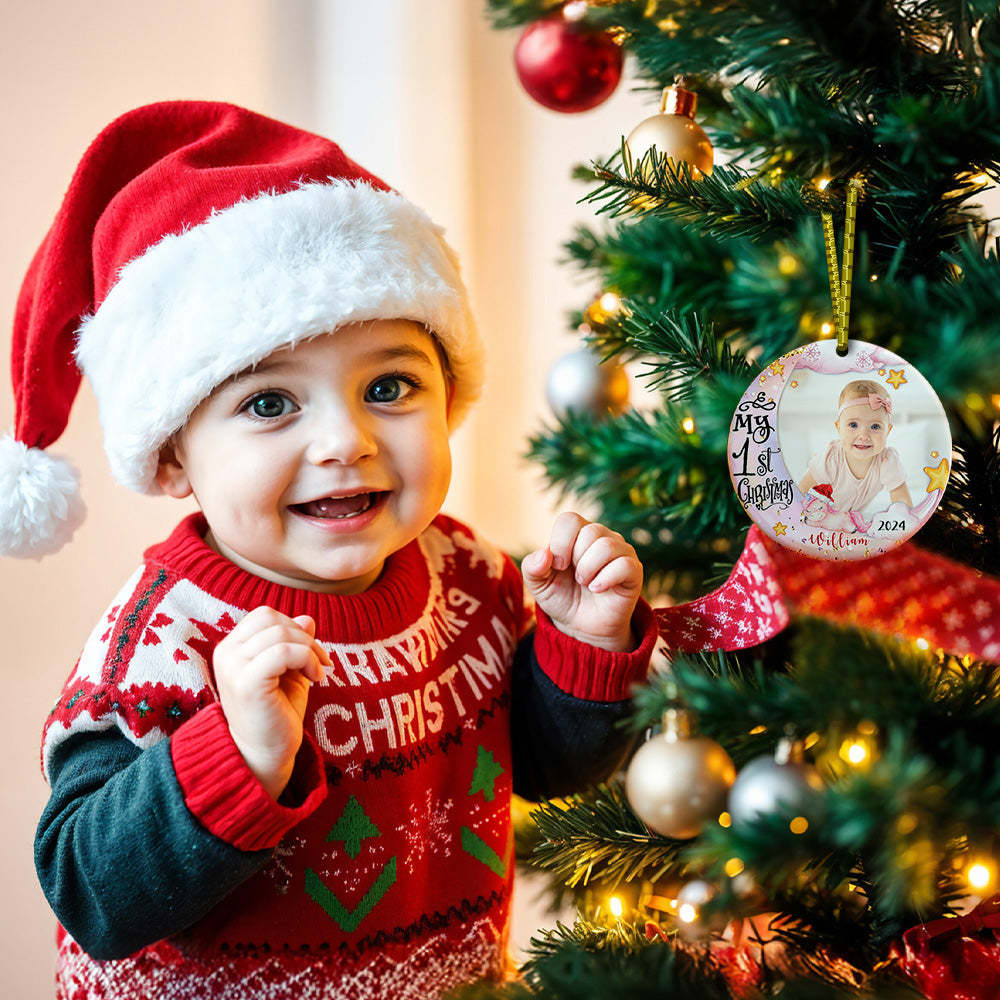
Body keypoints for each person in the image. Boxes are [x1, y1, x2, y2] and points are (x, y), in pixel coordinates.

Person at [3, 103, 658, 999]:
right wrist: (235, 756)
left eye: (388, 386)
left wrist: (580, 652)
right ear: (170, 459)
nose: (345, 441)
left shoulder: (470, 576)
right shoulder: (160, 640)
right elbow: (90, 893)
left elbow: (545, 767)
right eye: (270, 404)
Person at [797, 379, 913, 520]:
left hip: (846, 521)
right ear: (838, 427)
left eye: (875, 426)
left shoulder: (887, 461)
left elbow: (902, 501)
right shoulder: (832, 458)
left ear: (887, 431)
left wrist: (904, 525)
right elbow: (801, 492)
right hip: (815, 515)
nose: (864, 436)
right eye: (853, 425)